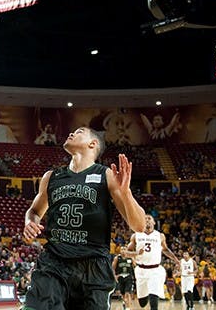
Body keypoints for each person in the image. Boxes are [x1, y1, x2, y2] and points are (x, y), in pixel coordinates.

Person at [22, 127, 146, 309]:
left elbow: (139, 226)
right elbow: (34, 211)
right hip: (54, 261)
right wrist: (30, 222)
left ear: (92, 143)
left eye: (79, 131)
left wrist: (126, 193)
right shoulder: (51, 177)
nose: (71, 133)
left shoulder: (107, 175)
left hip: (93, 266)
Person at [125, 214, 179, 310]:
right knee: (142, 303)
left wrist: (175, 259)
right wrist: (136, 253)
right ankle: (143, 296)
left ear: (154, 222)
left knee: (154, 294)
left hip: (155, 269)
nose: (147, 220)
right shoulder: (136, 235)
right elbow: (126, 253)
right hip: (141, 270)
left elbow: (165, 250)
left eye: (149, 218)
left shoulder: (160, 236)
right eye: (144, 219)